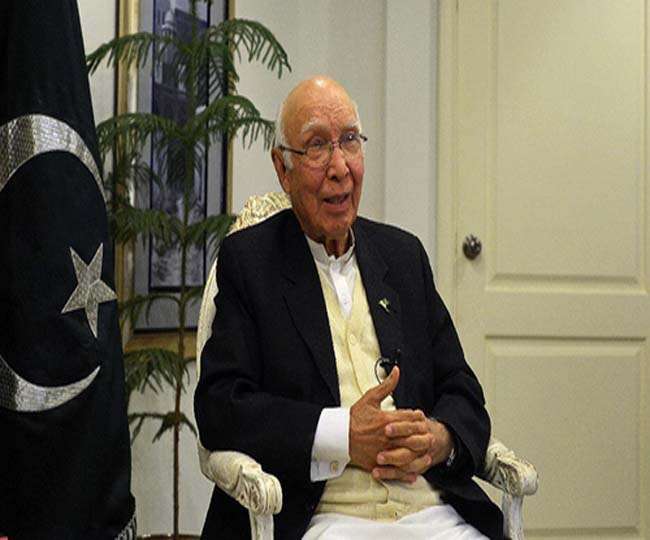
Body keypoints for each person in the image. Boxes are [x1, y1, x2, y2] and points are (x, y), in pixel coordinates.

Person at [194, 76, 503, 539]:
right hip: (322, 518)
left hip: (432, 511)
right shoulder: (250, 262)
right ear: (283, 168)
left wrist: (438, 440)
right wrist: (343, 435)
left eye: (350, 141)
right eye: (317, 146)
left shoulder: (403, 257)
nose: (340, 167)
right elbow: (221, 407)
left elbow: (462, 390)